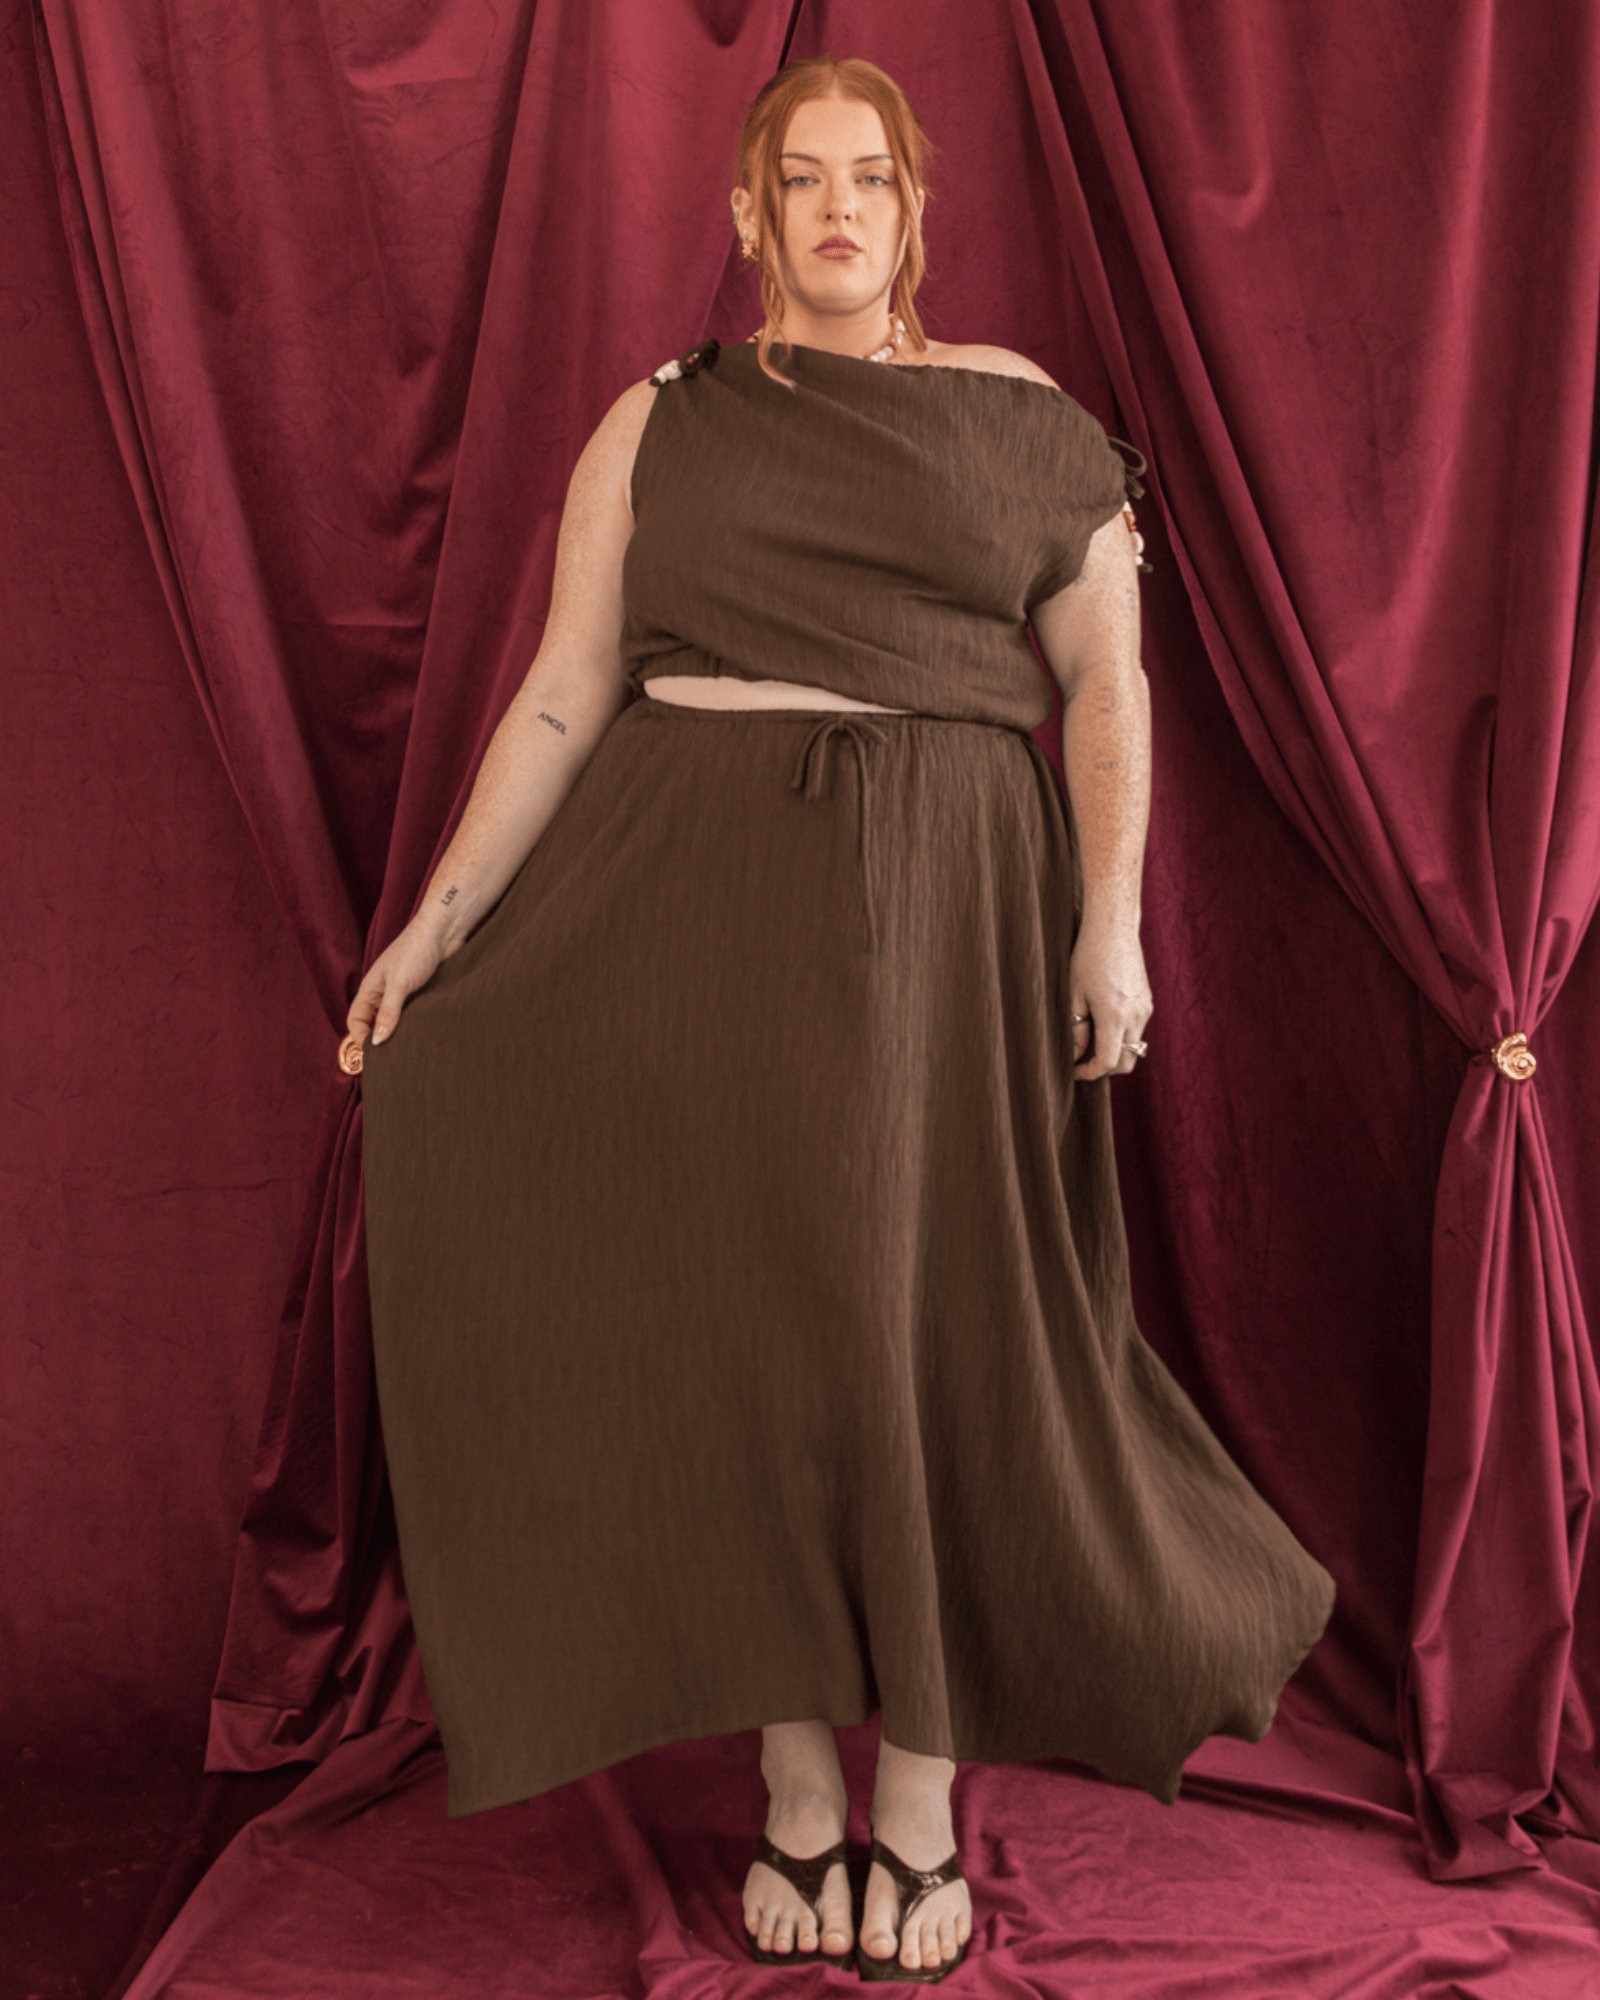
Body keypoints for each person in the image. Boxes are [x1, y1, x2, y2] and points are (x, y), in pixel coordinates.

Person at [347, 55, 1336, 1984]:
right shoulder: (661, 421)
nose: (835, 209)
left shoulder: (1023, 413)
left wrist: (1112, 931)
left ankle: (921, 1798)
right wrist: (437, 923)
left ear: (913, 207)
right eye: (798, 180)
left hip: (945, 928)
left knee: (932, 1333)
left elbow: (1108, 688)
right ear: (747, 215)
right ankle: (799, 1782)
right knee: (753, 1345)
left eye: (867, 177)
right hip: (687, 920)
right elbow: (562, 693)